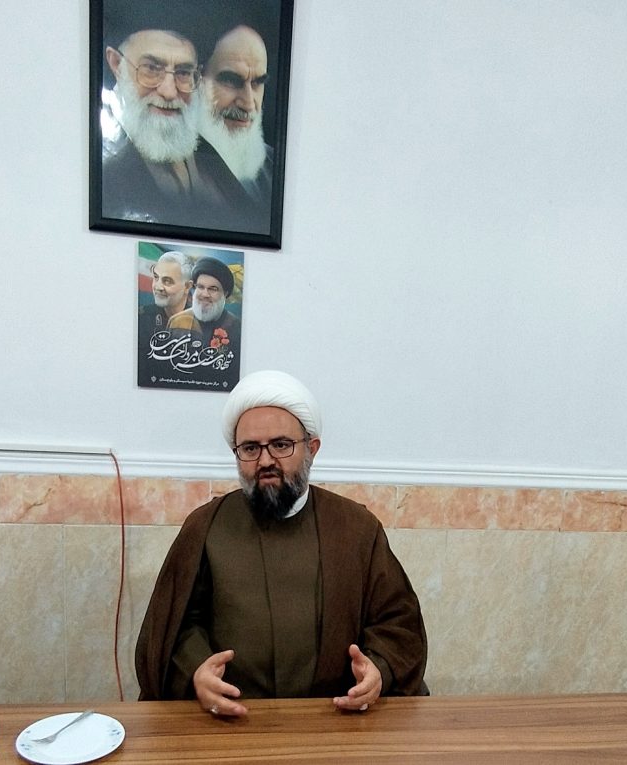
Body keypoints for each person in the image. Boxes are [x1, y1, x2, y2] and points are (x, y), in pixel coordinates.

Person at [135, 370, 428, 716]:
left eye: (281, 445)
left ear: (311, 449)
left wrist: (378, 669)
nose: (265, 461)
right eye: (250, 448)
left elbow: (398, 623)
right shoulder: (205, 527)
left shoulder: (357, 528)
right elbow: (174, 627)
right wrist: (197, 671)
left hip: (334, 720)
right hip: (230, 720)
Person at [102, 28, 257, 231]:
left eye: (183, 73)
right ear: (116, 64)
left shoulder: (204, 153)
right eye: (151, 68)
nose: (169, 91)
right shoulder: (105, 171)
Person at [197, 25, 274, 208]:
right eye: (232, 80)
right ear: (196, 79)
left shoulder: (275, 166)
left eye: (257, 83)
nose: (248, 103)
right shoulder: (172, 171)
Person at [165, 257, 241, 378]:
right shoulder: (177, 321)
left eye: (213, 289)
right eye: (200, 287)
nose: (205, 294)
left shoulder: (236, 327)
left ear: (225, 294)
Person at [139, 251, 194, 336]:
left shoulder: (201, 324)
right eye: (156, 277)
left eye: (167, 281)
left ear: (187, 286)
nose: (158, 287)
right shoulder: (140, 318)